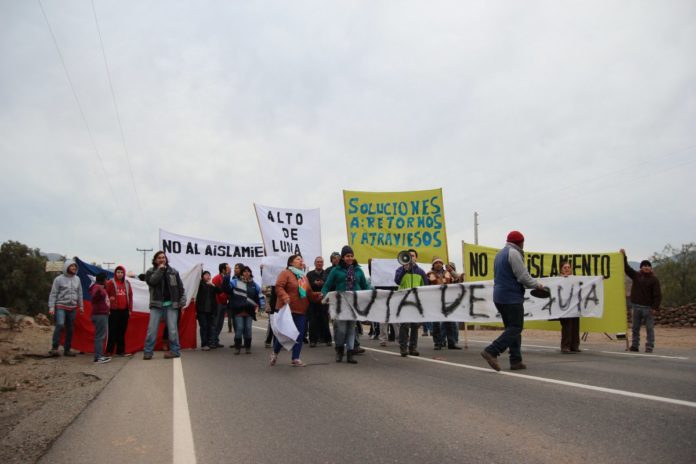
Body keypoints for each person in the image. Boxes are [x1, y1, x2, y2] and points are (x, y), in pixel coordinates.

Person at [481, 231, 545, 371]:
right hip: (511, 297)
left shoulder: (499, 254)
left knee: (512, 328)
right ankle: (492, 350)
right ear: (520, 242)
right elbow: (523, 276)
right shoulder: (514, 253)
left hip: (499, 296)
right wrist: (537, 285)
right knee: (516, 327)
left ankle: (516, 361)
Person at [322, 246, 371, 364]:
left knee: (351, 329)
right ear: (343, 257)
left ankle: (350, 353)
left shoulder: (358, 270)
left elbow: (365, 286)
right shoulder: (336, 270)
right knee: (341, 329)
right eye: (347, 256)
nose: (350, 258)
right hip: (341, 303)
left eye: (351, 256)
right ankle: (339, 350)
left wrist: (371, 293)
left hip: (354, 303)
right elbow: (327, 286)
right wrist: (324, 295)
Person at [270, 254, 320, 367]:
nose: (301, 261)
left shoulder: (304, 277)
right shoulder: (285, 273)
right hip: (286, 310)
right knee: (285, 334)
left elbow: (309, 294)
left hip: (301, 310)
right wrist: (284, 296)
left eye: (301, 260)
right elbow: (279, 286)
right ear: (291, 263)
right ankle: (275, 352)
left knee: (299, 335)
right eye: (298, 259)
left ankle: (295, 358)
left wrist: (319, 296)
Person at [143, 251, 187, 360]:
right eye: (159, 258)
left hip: (171, 305)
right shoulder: (150, 271)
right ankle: (148, 352)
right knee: (152, 330)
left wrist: (182, 302)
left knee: (172, 330)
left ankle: (175, 351)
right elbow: (152, 282)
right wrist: (160, 270)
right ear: (155, 260)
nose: (162, 259)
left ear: (166, 259)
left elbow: (180, 288)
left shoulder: (174, 272)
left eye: (163, 257)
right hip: (156, 305)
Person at [621, 249, 661, 353]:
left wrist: (655, 308)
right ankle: (635, 346)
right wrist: (624, 256)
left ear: (650, 268)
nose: (646, 267)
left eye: (648, 266)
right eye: (644, 265)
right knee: (635, 328)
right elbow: (626, 268)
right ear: (641, 268)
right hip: (636, 306)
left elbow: (657, 295)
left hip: (648, 308)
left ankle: (649, 347)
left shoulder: (654, 279)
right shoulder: (636, 276)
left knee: (649, 329)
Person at [395, 249, 428, 357]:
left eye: (413, 256)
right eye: (409, 256)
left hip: (416, 302)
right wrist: (405, 270)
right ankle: (403, 348)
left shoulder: (421, 272)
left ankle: (413, 347)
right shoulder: (400, 270)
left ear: (416, 258)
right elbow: (397, 281)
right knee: (404, 325)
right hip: (404, 301)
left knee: (415, 325)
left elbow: (425, 287)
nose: (411, 257)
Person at [224, 266, 264, 354]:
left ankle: (248, 347)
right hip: (238, 310)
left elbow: (260, 295)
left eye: (248, 271)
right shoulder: (235, 282)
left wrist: (262, 306)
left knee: (248, 329)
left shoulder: (254, 284)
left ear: (250, 273)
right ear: (241, 273)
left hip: (249, 311)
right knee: (240, 328)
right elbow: (226, 288)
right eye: (244, 271)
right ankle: (237, 347)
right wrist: (227, 275)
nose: (246, 273)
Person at [48, 260, 84, 357]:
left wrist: (81, 306)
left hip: (72, 307)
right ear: (67, 267)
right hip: (61, 306)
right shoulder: (58, 279)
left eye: (75, 267)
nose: (74, 268)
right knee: (60, 324)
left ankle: (67, 350)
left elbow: (80, 293)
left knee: (70, 328)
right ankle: (54, 348)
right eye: (72, 266)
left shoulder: (77, 279)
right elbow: (53, 293)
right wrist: (51, 307)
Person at [427, 257, 461, 351]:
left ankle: (451, 342)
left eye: (440, 262)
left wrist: (451, 270)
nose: (438, 264)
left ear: (442, 264)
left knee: (449, 322)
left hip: (447, 300)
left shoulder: (448, 273)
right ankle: (437, 343)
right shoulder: (429, 274)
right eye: (436, 262)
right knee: (436, 323)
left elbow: (458, 280)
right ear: (433, 265)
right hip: (435, 301)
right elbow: (425, 287)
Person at [105, 265, 133, 356]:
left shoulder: (127, 283)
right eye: (118, 272)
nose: (120, 274)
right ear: (115, 273)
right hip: (113, 311)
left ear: (124, 273)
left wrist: (130, 309)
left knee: (122, 331)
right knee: (112, 331)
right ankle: (109, 351)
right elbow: (105, 295)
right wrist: (108, 306)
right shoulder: (110, 283)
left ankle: (120, 351)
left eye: (121, 272)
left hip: (124, 311)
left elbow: (130, 296)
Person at [307, 256, 333, 347]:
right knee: (312, 321)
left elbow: (330, 284)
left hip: (323, 300)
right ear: (315, 263)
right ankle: (313, 340)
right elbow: (307, 287)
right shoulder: (309, 274)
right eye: (318, 262)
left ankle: (328, 339)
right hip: (313, 300)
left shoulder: (327, 274)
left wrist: (323, 284)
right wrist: (314, 284)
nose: (319, 263)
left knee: (325, 319)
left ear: (323, 264)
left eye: (321, 262)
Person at [558, 260, 580, 353]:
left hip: (574, 305)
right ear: (561, 270)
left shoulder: (575, 279)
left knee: (575, 325)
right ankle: (565, 346)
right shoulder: (558, 279)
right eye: (565, 267)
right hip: (564, 306)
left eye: (568, 267)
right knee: (567, 325)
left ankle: (574, 346)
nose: (567, 269)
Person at [195, 271, 221, 351]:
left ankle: (211, 342)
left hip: (211, 310)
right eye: (206, 275)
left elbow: (220, 291)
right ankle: (204, 344)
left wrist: (213, 285)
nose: (208, 276)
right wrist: (200, 269)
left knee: (211, 327)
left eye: (209, 275)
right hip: (202, 310)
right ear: (202, 277)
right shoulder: (200, 285)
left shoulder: (212, 286)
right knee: (204, 327)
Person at [89, 272, 111, 364]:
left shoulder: (101, 288)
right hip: (99, 315)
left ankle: (100, 355)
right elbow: (94, 295)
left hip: (102, 314)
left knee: (101, 336)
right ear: (103, 279)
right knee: (100, 336)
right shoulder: (97, 287)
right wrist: (99, 293)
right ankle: (98, 357)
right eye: (106, 279)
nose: (107, 281)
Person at [211, 263, 230, 349]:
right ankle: (212, 341)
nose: (230, 268)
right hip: (218, 303)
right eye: (227, 267)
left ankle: (215, 340)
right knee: (215, 323)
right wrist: (222, 296)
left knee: (220, 323)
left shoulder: (226, 278)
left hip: (224, 303)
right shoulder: (216, 278)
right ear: (223, 269)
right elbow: (214, 290)